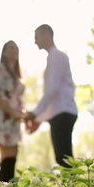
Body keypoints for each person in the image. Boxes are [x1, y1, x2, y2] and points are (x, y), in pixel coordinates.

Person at [24, 24, 78, 168]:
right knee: (63, 158)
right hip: (60, 113)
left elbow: (52, 90)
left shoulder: (57, 56)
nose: (35, 41)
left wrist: (35, 113)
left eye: (37, 37)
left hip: (63, 113)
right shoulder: (53, 58)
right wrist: (39, 119)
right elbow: (54, 97)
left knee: (64, 159)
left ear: (46, 34)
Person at [0, 40, 25, 182]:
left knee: (13, 154)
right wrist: (13, 112)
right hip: (3, 116)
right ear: (4, 52)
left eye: (16, 49)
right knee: (6, 154)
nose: (14, 51)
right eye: (11, 48)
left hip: (14, 119)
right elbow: (0, 97)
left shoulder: (17, 76)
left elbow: (18, 99)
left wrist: (22, 114)